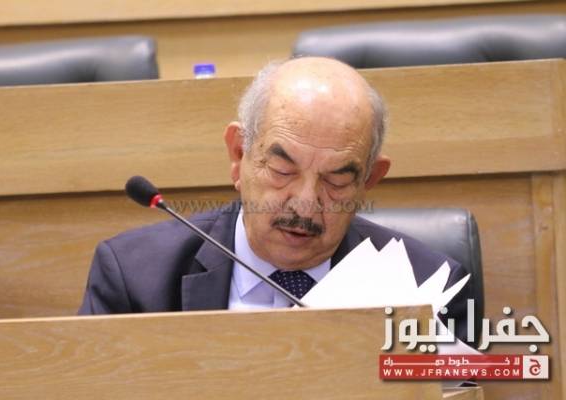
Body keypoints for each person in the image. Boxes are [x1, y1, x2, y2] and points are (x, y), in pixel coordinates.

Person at [79, 57, 469, 341]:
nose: (305, 204)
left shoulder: (427, 288)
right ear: (239, 155)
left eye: (335, 180)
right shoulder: (133, 277)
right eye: (283, 170)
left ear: (369, 179)